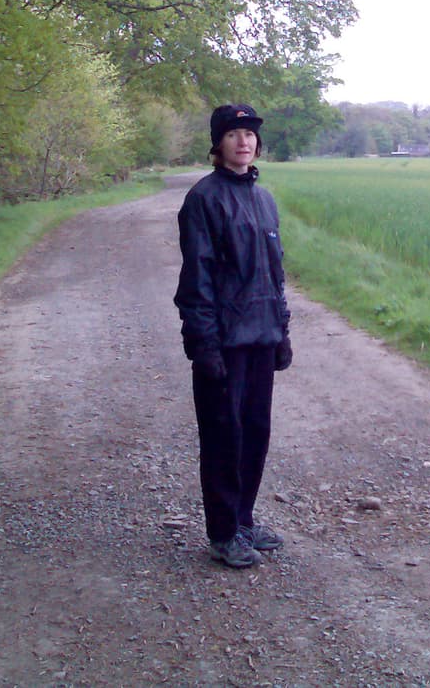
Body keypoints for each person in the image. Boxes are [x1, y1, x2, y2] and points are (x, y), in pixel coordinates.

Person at [174, 103, 293, 568]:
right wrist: (203, 344)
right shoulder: (204, 199)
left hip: (261, 337)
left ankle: (244, 520)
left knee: (255, 435)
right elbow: (197, 277)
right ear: (218, 144)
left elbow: (274, 273)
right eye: (234, 134)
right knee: (225, 437)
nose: (244, 141)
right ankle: (223, 533)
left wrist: (281, 331)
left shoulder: (264, 199)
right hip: (223, 341)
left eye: (250, 134)